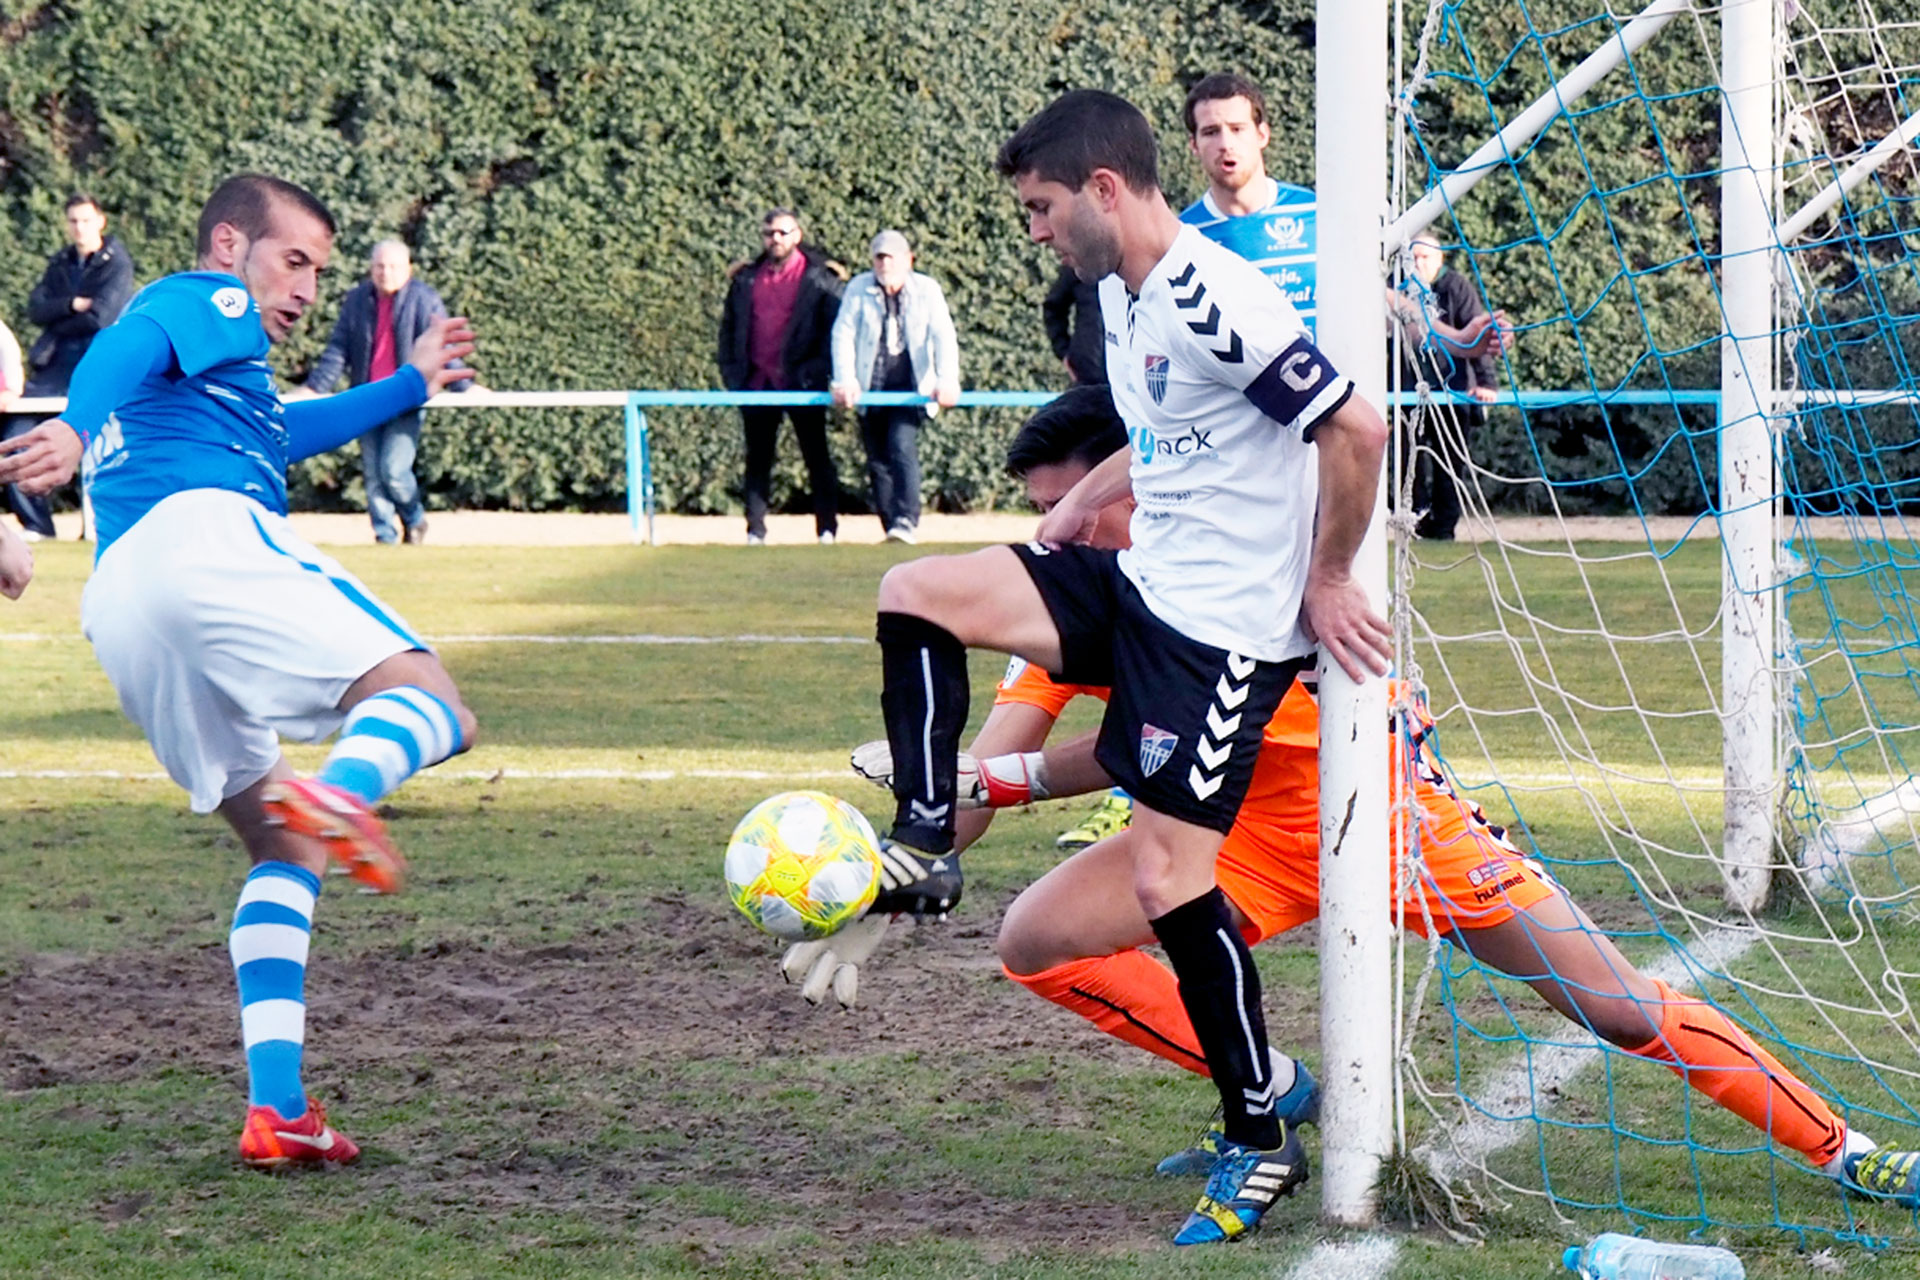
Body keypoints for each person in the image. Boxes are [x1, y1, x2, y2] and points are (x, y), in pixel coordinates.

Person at [808, 385, 1920, 1224]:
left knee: (1620, 1008)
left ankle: (1848, 1149)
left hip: (1394, 824)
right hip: (1244, 841)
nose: (1056, 532)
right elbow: (1002, 767)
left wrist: (997, 779)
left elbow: (1158, 740)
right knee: (1037, 938)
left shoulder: (1254, 563)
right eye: (1040, 513)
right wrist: (894, 871)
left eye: (1071, 505)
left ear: (1136, 482)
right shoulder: (1078, 607)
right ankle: (1275, 1092)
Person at [854, 89, 1393, 1246]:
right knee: (915, 591)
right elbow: (1164, 440)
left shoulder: (1214, 301)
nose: (1036, 230)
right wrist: (1082, 503)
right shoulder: (1116, 291)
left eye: (1043, 207)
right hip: (1141, 582)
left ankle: (1258, 1132)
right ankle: (923, 843)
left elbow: (1354, 429)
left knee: (1165, 880)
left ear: (1104, 188)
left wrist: (1329, 576)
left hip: (1223, 636)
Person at [0, 173, 481, 1170]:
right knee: (430, 700)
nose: (305, 288)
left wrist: (410, 382)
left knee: (282, 846)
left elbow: (285, 432)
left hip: (123, 602)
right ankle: (343, 789)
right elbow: (129, 340)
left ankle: (279, 1109)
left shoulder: (221, 382)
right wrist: (74, 425)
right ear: (230, 245)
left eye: (319, 272)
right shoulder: (205, 298)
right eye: (292, 260)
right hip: (204, 535)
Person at [303, 239, 473, 545]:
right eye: (380, 266)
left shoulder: (425, 299)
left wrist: (466, 387)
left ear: (408, 268)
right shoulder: (356, 300)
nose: (386, 273)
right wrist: (315, 388)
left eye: (393, 266)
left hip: (406, 399)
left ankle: (415, 520)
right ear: (371, 269)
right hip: (367, 399)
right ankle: (384, 536)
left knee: (394, 471)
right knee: (372, 475)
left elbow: (442, 345)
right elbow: (339, 349)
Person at [5, 193, 135, 541]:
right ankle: (37, 526)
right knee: (17, 436)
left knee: (99, 443)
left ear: (100, 221)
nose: (80, 228)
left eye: (86, 220)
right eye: (74, 221)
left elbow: (101, 318)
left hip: (97, 365)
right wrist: (73, 304)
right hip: (53, 369)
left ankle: (97, 527)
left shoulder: (117, 263)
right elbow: (36, 310)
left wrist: (59, 316)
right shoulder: (60, 261)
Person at [717, 209, 845, 546]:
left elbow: (834, 334)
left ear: (797, 235)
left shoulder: (820, 278)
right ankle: (755, 531)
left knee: (817, 458)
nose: (776, 239)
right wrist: (733, 376)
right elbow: (728, 331)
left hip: (804, 385)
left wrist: (815, 372)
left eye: (783, 233)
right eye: (769, 233)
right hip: (756, 383)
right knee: (757, 460)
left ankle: (827, 531)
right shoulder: (745, 279)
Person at [830, 229, 961, 543]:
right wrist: (845, 380)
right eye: (879, 258)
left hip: (912, 390)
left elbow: (943, 335)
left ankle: (907, 520)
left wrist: (947, 380)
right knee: (877, 460)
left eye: (891, 258)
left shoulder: (927, 289)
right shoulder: (858, 288)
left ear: (908, 260)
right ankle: (891, 526)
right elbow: (843, 334)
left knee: (901, 446)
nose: (884, 264)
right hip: (870, 388)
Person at [1177, 73, 1318, 330]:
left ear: (1262, 135)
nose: (1226, 144)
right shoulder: (1184, 238)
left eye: (1237, 129)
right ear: (1194, 145)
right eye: (1211, 132)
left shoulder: (1314, 212)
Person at [1390, 235, 1501, 541]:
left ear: (1440, 259)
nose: (1418, 264)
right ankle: (1414, 521)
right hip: (1406, 392)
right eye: (1413, 258)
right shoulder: (1393, 289)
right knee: (1407, 461)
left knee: (1450, 462)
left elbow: (1477, 336)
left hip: (1452, 392)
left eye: (1425, 257)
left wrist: (1486, 383)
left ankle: (1443, 528)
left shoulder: (1457, 287)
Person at [1041, 264, 1106, 384]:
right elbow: (1053, 307)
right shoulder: (1080, 265)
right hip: (1088, 374)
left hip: (1129, 372)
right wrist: (1063, 351)